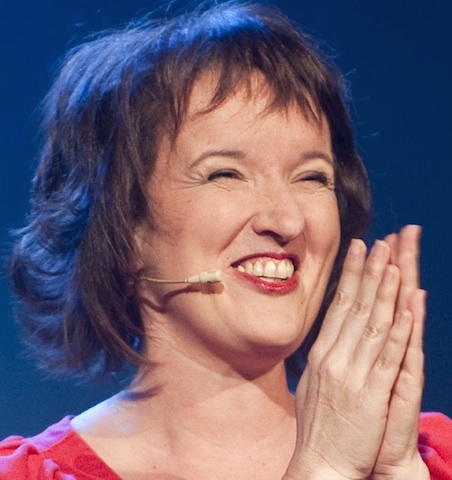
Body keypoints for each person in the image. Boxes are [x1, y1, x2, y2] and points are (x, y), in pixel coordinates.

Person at [1, 2, 451, 479]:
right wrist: (325, 469)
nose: (287, 221)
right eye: (226, 174)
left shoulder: (430, 459)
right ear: (124, 230)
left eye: (312, 177)